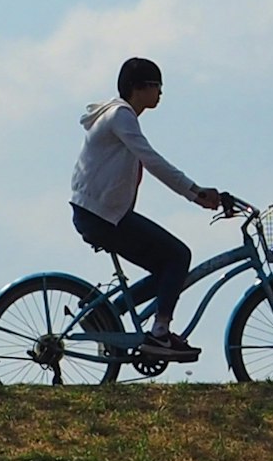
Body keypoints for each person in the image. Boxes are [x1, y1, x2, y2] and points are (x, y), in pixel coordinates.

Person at [69, 56, 240, 360]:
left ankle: (107, 314)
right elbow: (153, 161)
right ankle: (160, 334)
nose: (161, 93)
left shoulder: (118, 115)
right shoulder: (121, 116)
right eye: (157, 86)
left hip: (99, 212)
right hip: (101, 215)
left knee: (167, 268)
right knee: (178, 255)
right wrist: (195, 192)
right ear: (139, 88)